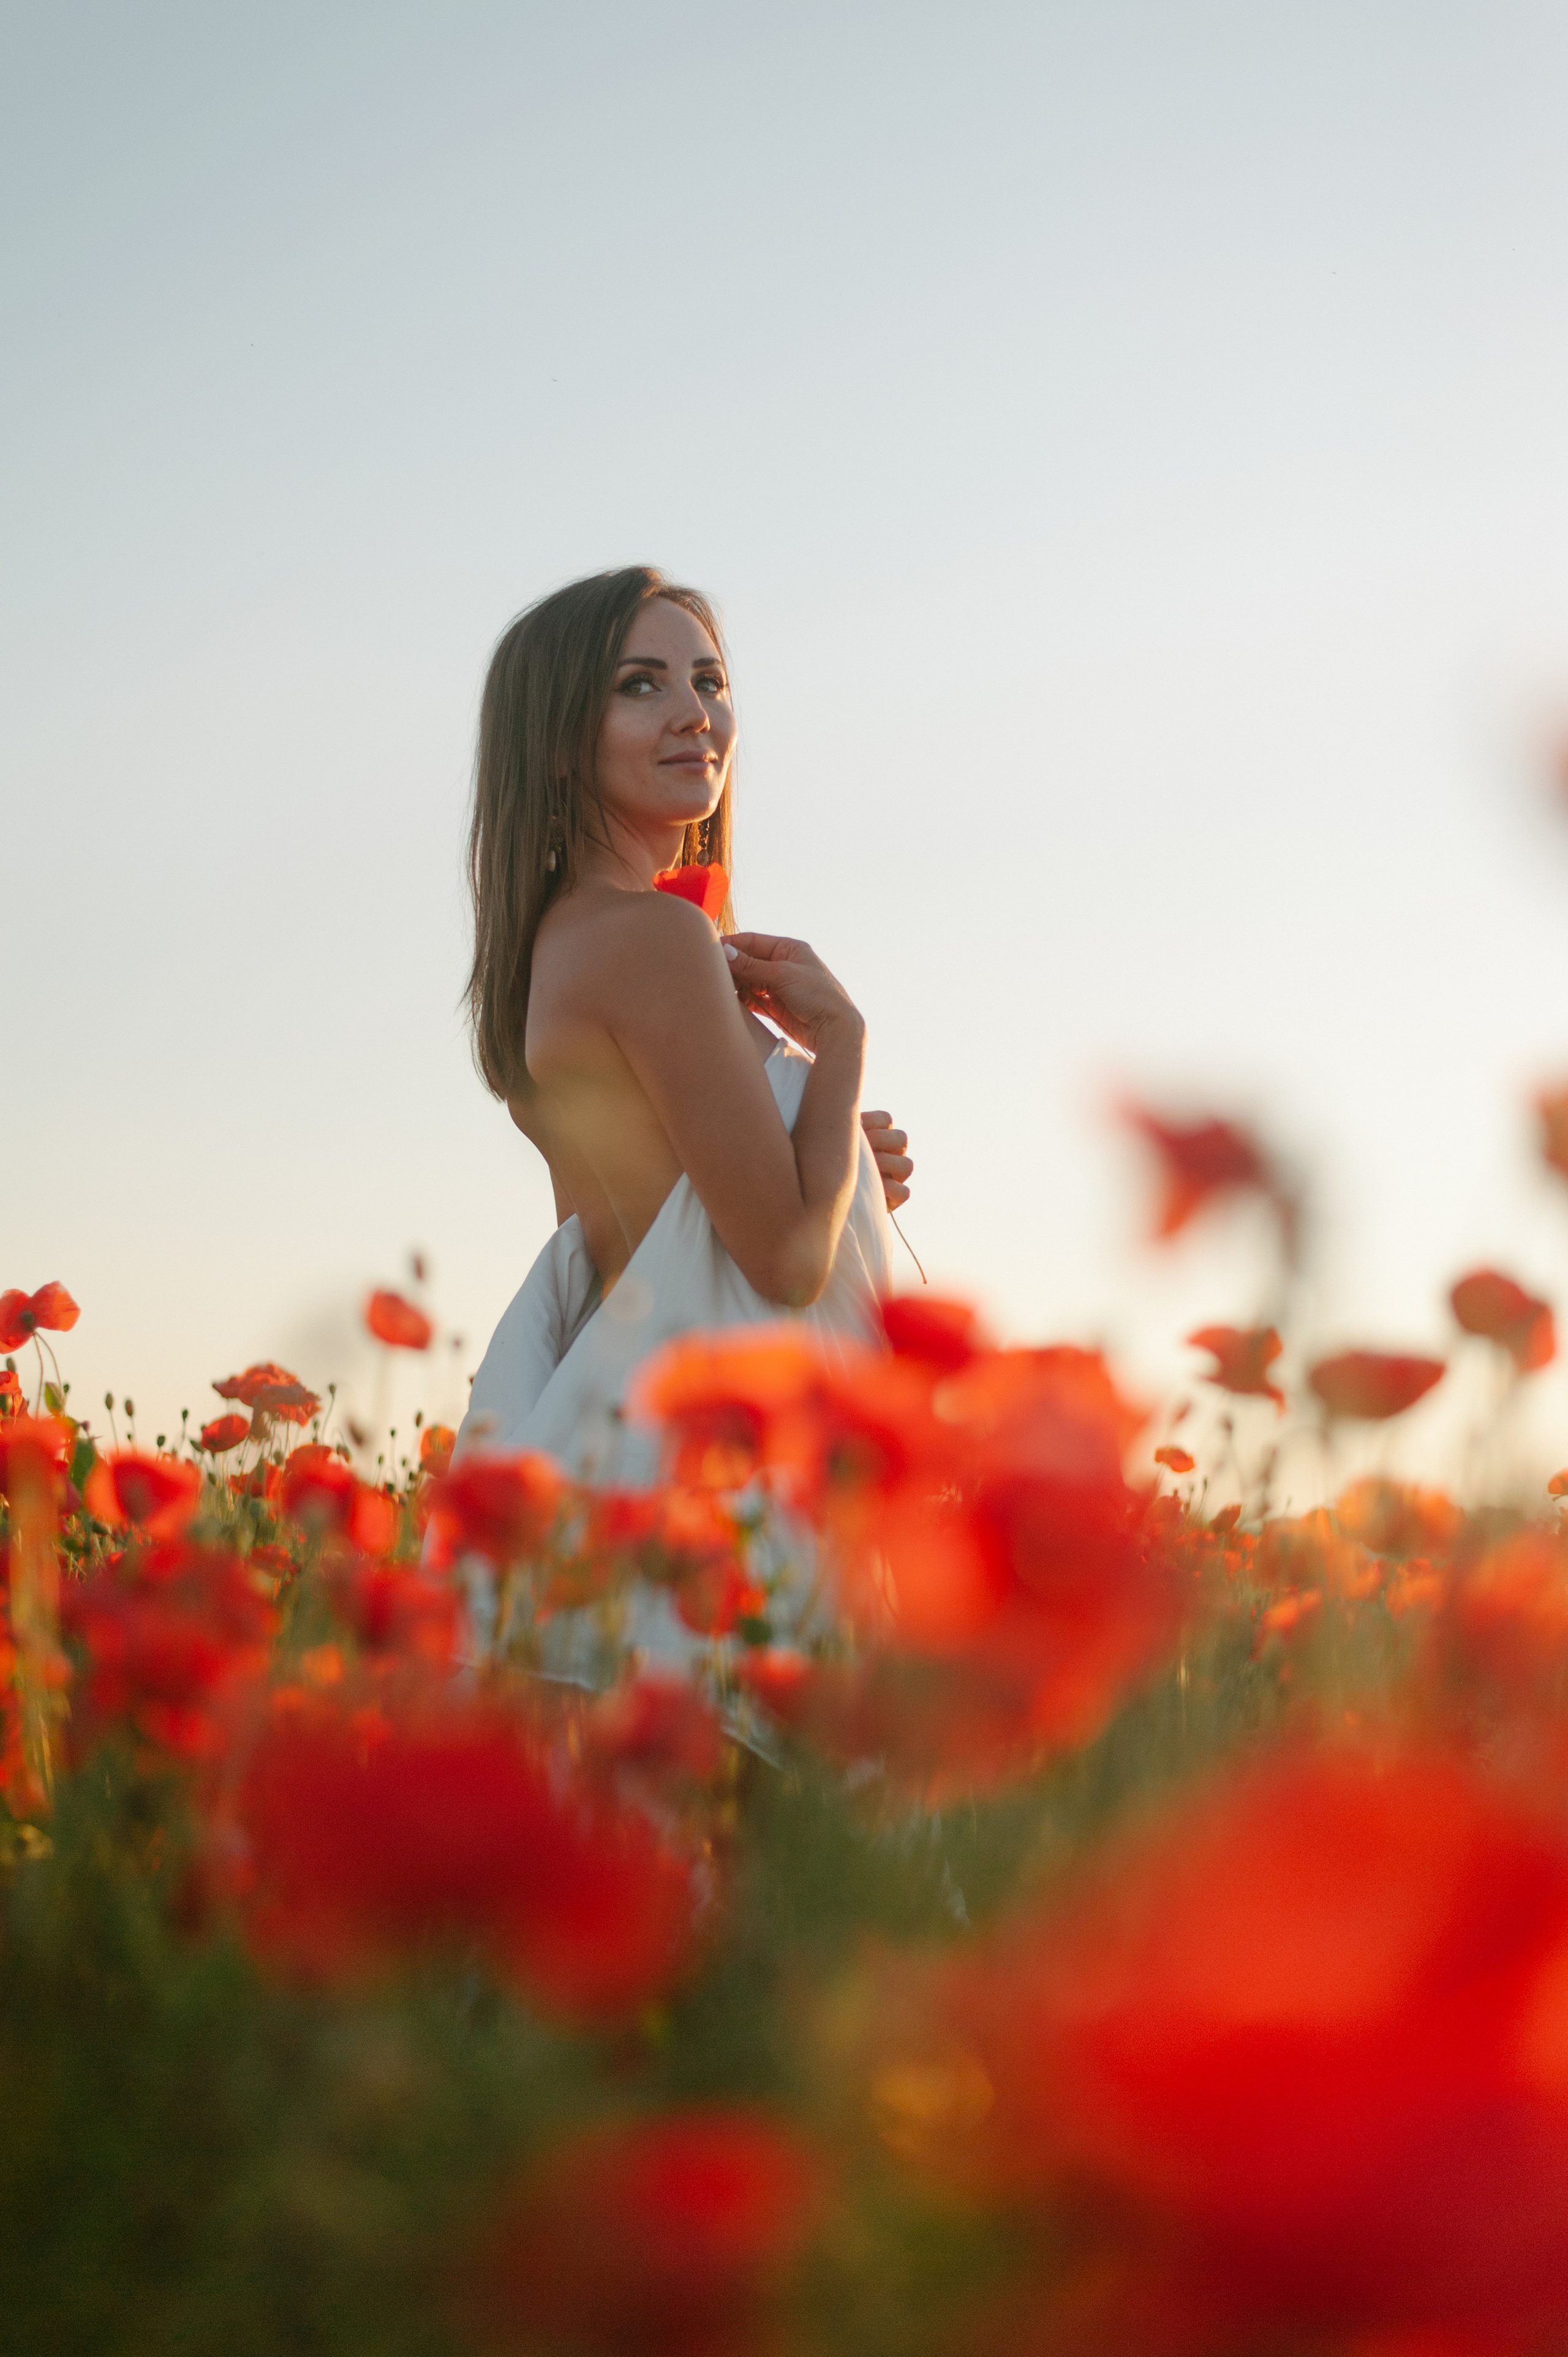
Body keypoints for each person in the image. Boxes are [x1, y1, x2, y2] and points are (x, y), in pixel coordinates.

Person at [455, 566, 913, 1502]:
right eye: (640, 685)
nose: (694, 711)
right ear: (554, 743)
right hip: (713, 1470)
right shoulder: (653, 939)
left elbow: (642, 1240)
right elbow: (788, 1263)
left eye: (708, 680)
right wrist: (843, 1047)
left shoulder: (561, 946)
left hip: (617, 1440)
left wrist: (834, 1164)